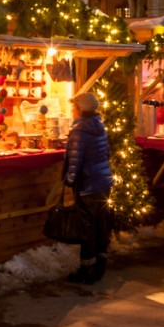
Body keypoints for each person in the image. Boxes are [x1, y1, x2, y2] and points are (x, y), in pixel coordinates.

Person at [63, 92, 114, 284]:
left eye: (74, 106)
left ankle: (87, 269)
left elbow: (75, 161)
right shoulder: (99, 127)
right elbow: (106, 153)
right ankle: (100, 263)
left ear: (80, 109)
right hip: (103, 181)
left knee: (87, 227)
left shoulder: (79, 131)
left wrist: (69, 180)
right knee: (100, 224)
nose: (72, 109)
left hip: (87, 184)